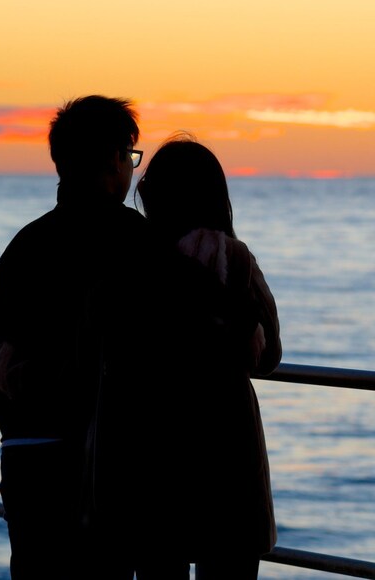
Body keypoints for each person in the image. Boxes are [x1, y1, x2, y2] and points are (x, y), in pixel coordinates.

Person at [0, 95, 154, 579]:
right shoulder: (134, 241)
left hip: (26, 458)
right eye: (131, 157)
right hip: (103, 465)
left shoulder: (25, 245)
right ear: (115, 158)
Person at [120, 133, 281, 579]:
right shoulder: (233, 258)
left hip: (154, 443)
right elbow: (269, 354)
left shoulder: (133, 260)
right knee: (228, 563)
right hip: (226, 444)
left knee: (158, 563)